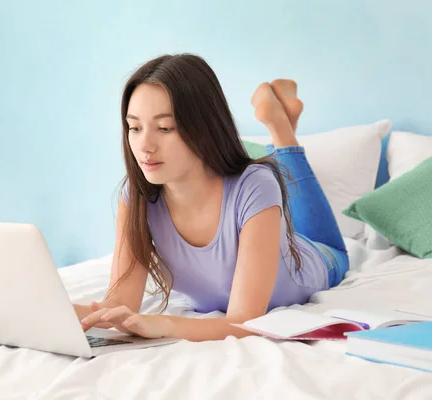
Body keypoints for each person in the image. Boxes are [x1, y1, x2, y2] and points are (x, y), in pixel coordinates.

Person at [73, 53, 349, 342]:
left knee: (330, 244)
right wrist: (49, 311)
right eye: (135, 128)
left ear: (202, 127)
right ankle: (282, 121)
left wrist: (163, 325)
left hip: (318, 259)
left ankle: (280, 128)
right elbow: (119, 305)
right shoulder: (137, 196)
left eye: (165, 128)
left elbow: (244, 321)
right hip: (270, 235)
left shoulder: (254, 185)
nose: (144, 145)